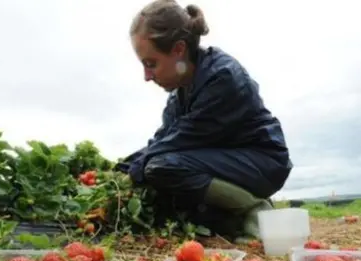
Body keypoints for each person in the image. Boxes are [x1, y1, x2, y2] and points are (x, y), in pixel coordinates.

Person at [117, 0, 293, 242]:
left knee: (162, 167)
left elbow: (178, 141)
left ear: (178, 50)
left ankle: (252, 207)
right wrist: (122, 167)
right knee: (163, 179)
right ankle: (229, 218)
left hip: (262, 161)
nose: (147, 76)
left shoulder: (223, 78)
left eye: (151, 64)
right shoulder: (180, 92)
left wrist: (135, 170)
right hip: (225, 160)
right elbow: (163, 139)